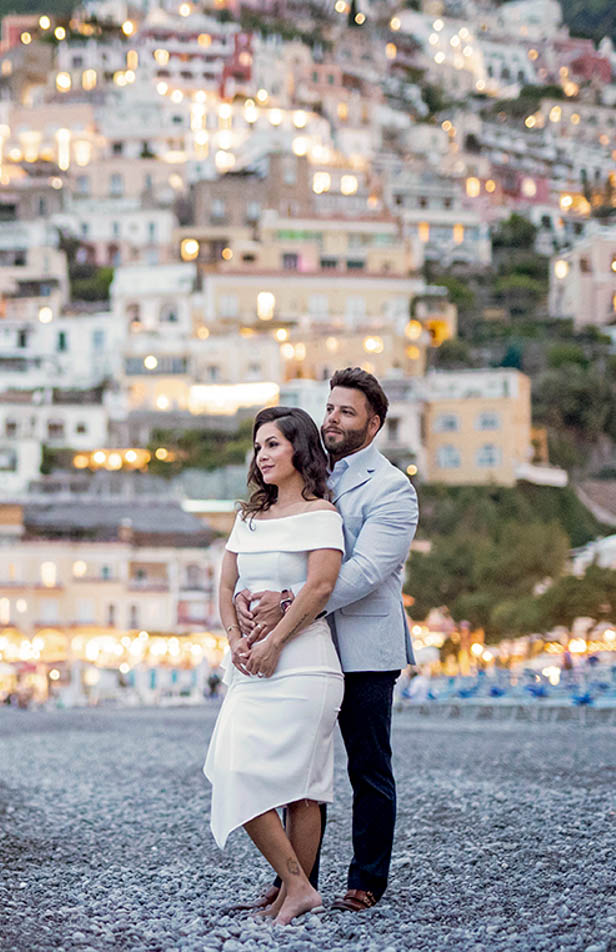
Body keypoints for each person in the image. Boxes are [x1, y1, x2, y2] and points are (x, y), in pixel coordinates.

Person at [235, 367, 418, 913]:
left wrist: (291, 602)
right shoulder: (307, 480)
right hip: (303, 648)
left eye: (347, 412)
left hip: (362, 648)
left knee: (367, 766)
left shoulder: (392, 488)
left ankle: (366, 881)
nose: (332, 419)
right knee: (298, 767)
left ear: (374, 423)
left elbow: (364, 573)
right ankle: (296, 879)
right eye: (330, 408)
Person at [203, 406, 345, 926]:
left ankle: (293, 895)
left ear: (299, 450)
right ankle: (299, 885)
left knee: (303, 787)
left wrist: (274, 644)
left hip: (305, 663)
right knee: (233, 768)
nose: (262, 456)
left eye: (273, 445)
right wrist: (238, 637)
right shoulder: (248, 519)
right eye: (258, 446)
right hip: (251, 667)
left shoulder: (322, 515)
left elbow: (321, 587)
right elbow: (225, 587)